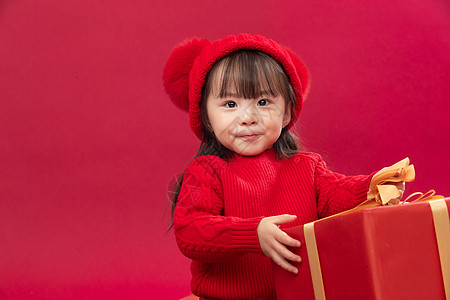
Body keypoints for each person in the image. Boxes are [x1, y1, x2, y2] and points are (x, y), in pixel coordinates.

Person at [163, 33, 405, 300]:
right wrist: (252, 234)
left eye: (263, 102)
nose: (248, 118)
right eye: (230, 104)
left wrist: (373, 186)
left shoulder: (305, 167)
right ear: (206, 116)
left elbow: (337, 192)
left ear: (288, 111)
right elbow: (191, 230)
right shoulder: (207, 171)